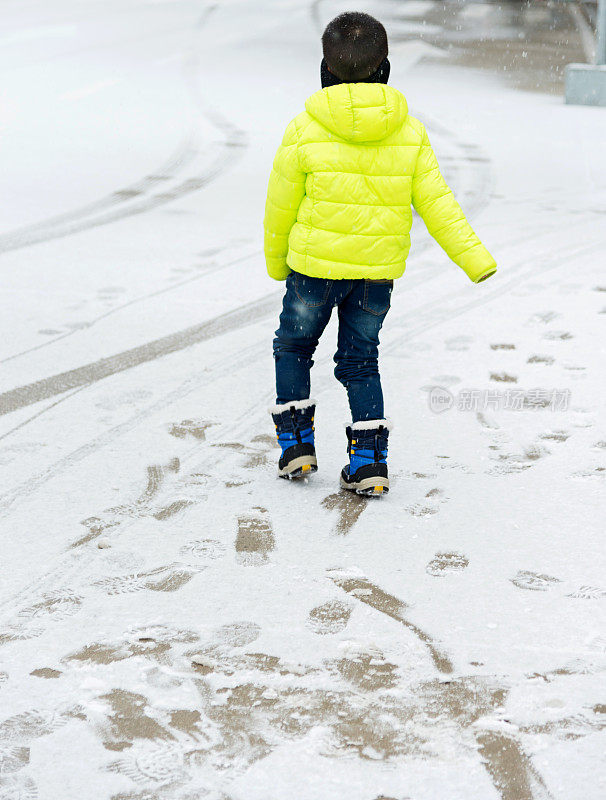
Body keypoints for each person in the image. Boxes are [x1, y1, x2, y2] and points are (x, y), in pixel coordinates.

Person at [264, 11, 496, 496]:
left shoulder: (304, 127)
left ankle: (296, 447)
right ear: (385, 68)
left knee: (293, 348)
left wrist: (275, 259)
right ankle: (369, 461)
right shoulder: (408, 132)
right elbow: (439, 204)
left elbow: (280, 205)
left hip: (312, 269)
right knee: (360, 362)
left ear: (325, 71)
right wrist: (475, 258)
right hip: (374, 275)